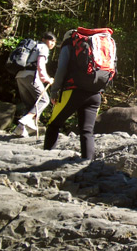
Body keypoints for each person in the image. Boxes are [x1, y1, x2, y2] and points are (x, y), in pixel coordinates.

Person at [43, 30, 101, 161]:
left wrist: (54, 90)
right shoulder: (94, 46)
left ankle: (45, 159)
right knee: (87, 132)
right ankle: (88, 165)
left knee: (53, 124)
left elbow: (62, 68)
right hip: (95, 93)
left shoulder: (70, 44)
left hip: (73, 91)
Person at [14, 32, 56, 136]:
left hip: (20, 76)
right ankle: (24, 121)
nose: (52, 43)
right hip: (30, 76)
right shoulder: (43, 47)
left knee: (30, 104)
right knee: (44, 100)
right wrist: (46, 79)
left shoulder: (33, 47)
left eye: (54, 41)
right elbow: (40, 65)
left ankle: (20, 130)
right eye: (51, 40)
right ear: (43, 39)